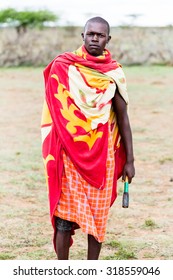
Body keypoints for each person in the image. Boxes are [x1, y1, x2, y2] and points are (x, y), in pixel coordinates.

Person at [41, 16, 135, 260]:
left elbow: (123, 117)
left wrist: (130, 161)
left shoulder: (114, 73)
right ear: (82, 36)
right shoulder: (64, 66)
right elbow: (57, 112)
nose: (95, 38)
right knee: (64, 218)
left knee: (98, 218)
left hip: (103, 157)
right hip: (69, 156)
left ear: (108, 39)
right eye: (90, 34)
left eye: (100, 35)